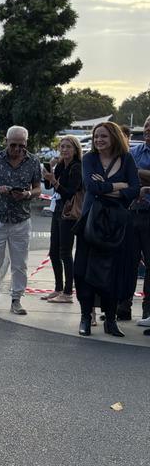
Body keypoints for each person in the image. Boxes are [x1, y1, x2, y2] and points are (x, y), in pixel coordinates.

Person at [74, 121, 139, 337]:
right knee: (85, 271)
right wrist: (120, 186)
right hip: (91, 223)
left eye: (103, 136)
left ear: (114, 137)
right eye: (96, 137)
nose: (99, 140)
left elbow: (135, 189)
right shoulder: (89, 159)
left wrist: (111, 189)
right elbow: (92, 187)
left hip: (117, 225)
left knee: (113, 272)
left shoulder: (127, 159)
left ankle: (110, 321)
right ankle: (85, 317)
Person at [0, 125, 43, 315]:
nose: (17, 150)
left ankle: (16, 300)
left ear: (26, 144)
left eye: (21, 146)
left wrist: (28, 193)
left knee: (19, 263)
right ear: (6, 142)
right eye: (13, 145)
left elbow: (38, 188)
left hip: (21, 220)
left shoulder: (33, 162)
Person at [42, 135, 82, 304]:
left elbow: (70, 192)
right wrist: (48, 168)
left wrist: (55, 182)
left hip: (69, 212)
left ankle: (67, 292)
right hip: (58, 209)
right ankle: (58, 288)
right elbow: (49, 186)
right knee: (53, 251)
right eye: (62, 147)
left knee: (65, 252)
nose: (64, 150)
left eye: (68, 147)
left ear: (75, 149)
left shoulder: (76, 167)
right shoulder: (60, 165)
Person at [120, 115, 150, 323]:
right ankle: (123, 307)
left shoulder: (134, 156)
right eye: (147, 125)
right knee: (127, 263)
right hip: (131, 213)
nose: (148, 128)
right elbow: (123, 175)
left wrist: (137, 174)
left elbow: (131, 175)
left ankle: (148, 311)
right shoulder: (134, 151)